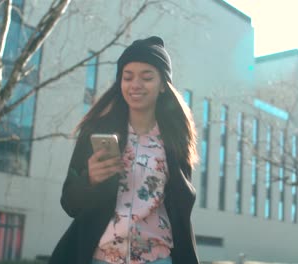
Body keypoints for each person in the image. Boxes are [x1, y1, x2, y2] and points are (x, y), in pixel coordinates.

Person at [48, 36, 199, 264]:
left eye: (147, 77)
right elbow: (69, 203)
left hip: (158, 258)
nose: (135, 84)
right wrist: (90, 180)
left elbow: (180, 207)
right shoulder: (95, 131)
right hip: (102, 257)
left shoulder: (176, 139)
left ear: (162, 86)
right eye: (128, 77)